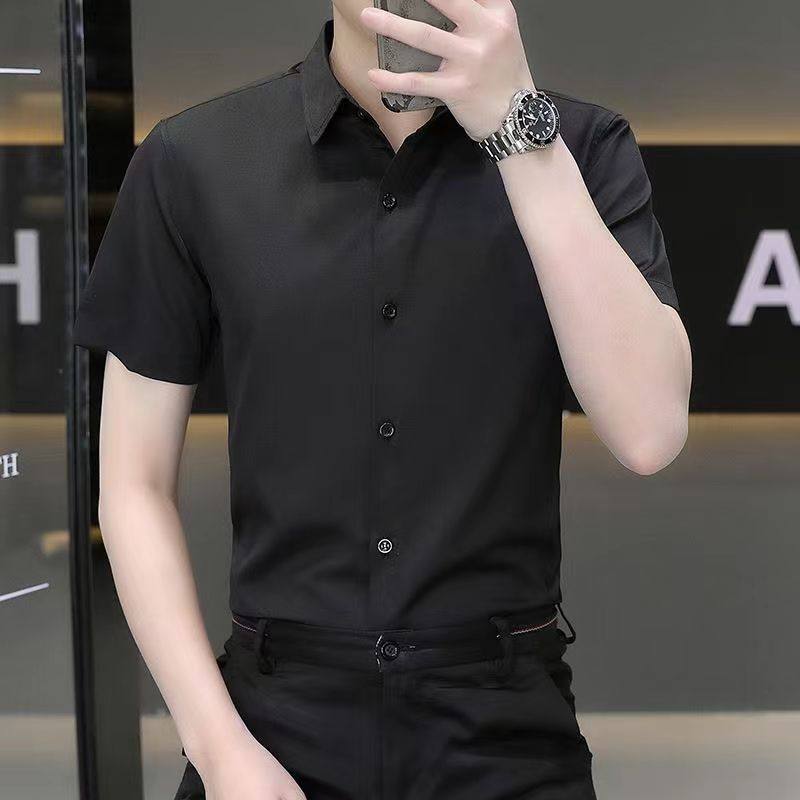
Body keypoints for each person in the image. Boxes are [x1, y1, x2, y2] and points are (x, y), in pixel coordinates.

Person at [71, 1, 692, 798]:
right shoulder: (195, 157)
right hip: (272, 723)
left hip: (504, 728)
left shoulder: (580, 146)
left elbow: (649, 432)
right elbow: (132, 484)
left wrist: (517, 130)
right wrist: (220, 750)